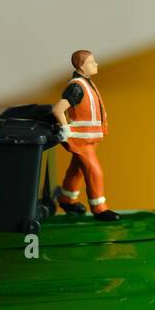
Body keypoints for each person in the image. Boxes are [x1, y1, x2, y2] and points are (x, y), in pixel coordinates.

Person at [51, 49, 118, 221]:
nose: (95, 64)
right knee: (94, 171)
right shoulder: (76, 87)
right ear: (81, 66)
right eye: (91, 62)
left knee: (78, 170)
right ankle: (99, 208)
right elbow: (58, 110)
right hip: (80, 140)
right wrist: (65, 131)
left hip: (89, 138)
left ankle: (66, 199)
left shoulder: (87, 84)